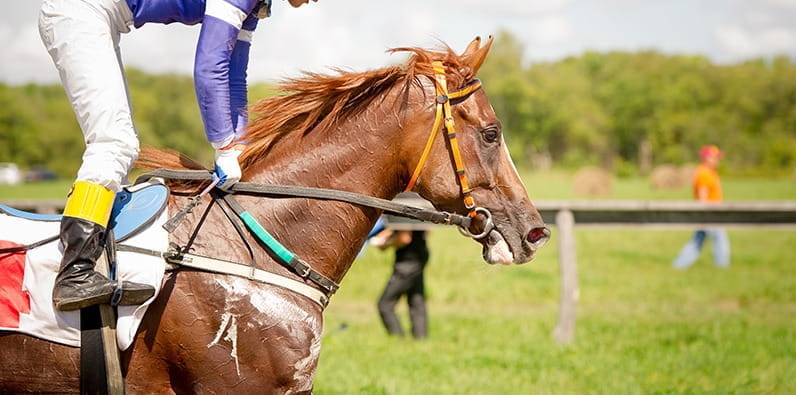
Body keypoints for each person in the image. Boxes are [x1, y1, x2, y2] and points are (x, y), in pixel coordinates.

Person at [38, 0, 316, 311]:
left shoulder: (254, 6)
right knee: (115, 143)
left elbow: (234, 77)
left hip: (103, 16)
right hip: (81, 11)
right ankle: (74, 274)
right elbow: (209, 67)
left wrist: (241, 148)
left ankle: (101, 258)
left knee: (122, 144)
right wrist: (224, 147)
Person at [672, 145, 730, 269]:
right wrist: (704, 214)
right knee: (720, 240)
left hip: (712, 212)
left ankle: (679, 265)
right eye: (714, 157)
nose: (717, 160)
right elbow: (702, 194)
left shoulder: (709, 172)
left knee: (697, 241)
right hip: (711, 213)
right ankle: (723, 267)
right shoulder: (704, 173)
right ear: (706, 158)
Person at [371, 228, 430, 339]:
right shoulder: (417, 211)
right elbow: (427, 230)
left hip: (407, 262)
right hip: (420, 255)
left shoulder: (404, 213)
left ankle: (397, 338)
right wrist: (389, 233)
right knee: (416, 300)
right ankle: (421, 339)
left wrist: (386, 243)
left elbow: (404, 239)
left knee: (384, 304)